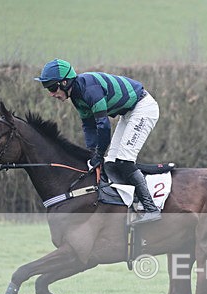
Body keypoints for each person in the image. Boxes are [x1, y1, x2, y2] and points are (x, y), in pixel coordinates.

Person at [34, 59, 162, 224]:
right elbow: (88, 125)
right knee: (110, 162)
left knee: (124, 160)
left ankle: (151, 209)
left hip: (143, 108)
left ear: (65, 82)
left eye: (52, 88)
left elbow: (103, 126)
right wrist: (92, 153)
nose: (51, 94)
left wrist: (98, 154)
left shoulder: (90, 90)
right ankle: (129, 204)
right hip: (129, 112)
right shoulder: (77, 96)